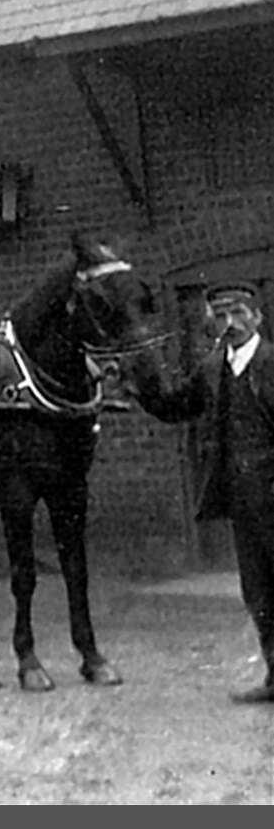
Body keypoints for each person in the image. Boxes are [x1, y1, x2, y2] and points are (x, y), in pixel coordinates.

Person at [140, 281, 274, 703]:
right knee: (258, 591)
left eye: (238, 313)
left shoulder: (272, 363)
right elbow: (176, 405)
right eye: (220, 315)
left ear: (258, 317)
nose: (230, 323)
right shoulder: (214, 369)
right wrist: (141, 379)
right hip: (242, 501)